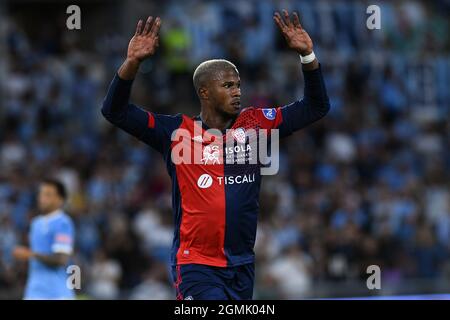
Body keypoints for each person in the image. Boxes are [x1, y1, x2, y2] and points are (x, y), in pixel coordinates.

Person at [101, 10, 330, 300]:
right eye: (227, 86)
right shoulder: (176, 132)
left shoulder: (257, 124)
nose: (237, 92)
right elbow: (114, 111)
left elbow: (316, 107)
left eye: (238, 85)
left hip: (242, 265)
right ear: (205, 92)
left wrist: (308, 57)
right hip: (196, 264)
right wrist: (132, 63)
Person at [13, 179, 76, 299]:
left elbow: (61, 259)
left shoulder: (63, 223)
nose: (42, 198)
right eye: (41, 194)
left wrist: (31, 254)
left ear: (60, 200)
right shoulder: (35, 223)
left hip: (56, 292)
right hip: (34, 291)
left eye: (48, 195)